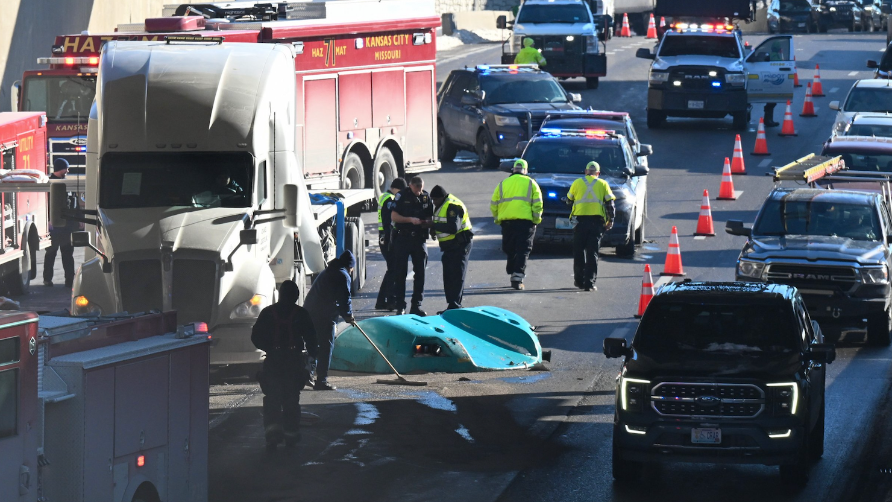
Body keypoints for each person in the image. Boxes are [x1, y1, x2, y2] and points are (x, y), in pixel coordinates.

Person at [250, 280, 317, 449]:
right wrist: (311, 359)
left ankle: (272, 434)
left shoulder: (267, 313)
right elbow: (312, 339)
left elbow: (255, 337)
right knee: (291, 399)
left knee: (272, 398)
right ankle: (291, 435)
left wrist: (269, 348)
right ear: (296, 296)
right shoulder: (301, 314)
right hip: (293, 362)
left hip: (273, 361)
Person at [303, 250, 356, 391]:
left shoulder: (328, 271)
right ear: (350, 266)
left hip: (309, 312)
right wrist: (348, 316)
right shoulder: (343, 275)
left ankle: (307, 374)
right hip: (324, 315)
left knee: (313, 344)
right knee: (326, 346)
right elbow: (345, 299)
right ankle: (322, 381)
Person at [490, 159, 543, 290]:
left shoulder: (503, 184)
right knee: (523, 250)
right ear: (525, 170)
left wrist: (498, 219)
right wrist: (536, 220)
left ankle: (512, 269)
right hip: (525, 223)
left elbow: (494, 204)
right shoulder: (531, 183)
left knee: (511, 248)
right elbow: (538, 204)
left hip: (507, 223)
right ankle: (517, 278)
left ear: (513, 169)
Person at [565, 161, 616, 291]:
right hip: (596, 222)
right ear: (598, 173)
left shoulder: (577, 182)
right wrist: (610, 220)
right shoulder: (603, 184)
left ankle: (579, 281)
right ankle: (589, 283)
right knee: (592, 253)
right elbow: (610, 205)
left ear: (586, 171)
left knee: (578, 252)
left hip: (579, 223)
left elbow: (568, 200)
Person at [390, 176, 434, 316]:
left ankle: (416, 305)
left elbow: (430, 215)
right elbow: (394, 216)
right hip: (403, 237)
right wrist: (410, 220)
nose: (419, 192)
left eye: (421, 188)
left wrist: (426, 222)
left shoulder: (425, 197)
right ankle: (400, 305)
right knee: (400, 273)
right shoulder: (401, 196)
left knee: (420, 273)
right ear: (410, 185)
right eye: (417, 189)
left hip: (419, 239)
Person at [430, 185, 473, 312]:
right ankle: (451, 305)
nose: (434, 202)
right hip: (449, 246)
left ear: (442, 197)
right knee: (448, 275)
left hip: (460, 244)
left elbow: (453, 228)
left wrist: (434, 225)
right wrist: (434, 229)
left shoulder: (453, 206)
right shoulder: (441, 205)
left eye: (436, 200)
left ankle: (455, 305)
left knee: (457, 274)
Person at [375, 178, 407, 310]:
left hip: (385, 237)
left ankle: (381, 301)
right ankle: (389, 300)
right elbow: (389, 222)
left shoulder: (385, 197)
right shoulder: (390, 200)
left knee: (391, 270)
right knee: (393, 270)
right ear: (396, 189)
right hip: (388, 238)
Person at [44, 158, 76, 288]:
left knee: (68, 254)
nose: (67, 171)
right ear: (60, 169)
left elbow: (73, 202)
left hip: (66, 226)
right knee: (51, 254)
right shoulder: (48, 184)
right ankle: (47, 280)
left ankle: (69, 280)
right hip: (53, 226)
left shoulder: (67, 183)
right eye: (66, 168)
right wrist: (47, 222)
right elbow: (45, 204)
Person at [763, 41, 785, 127]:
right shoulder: (775, 56)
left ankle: (769, 119)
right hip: (773, 79)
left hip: (771, 78)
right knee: (772, 101)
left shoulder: (773, 54)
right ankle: (768, 120)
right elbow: (782, 64)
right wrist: (782, 54)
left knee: (772, 101)